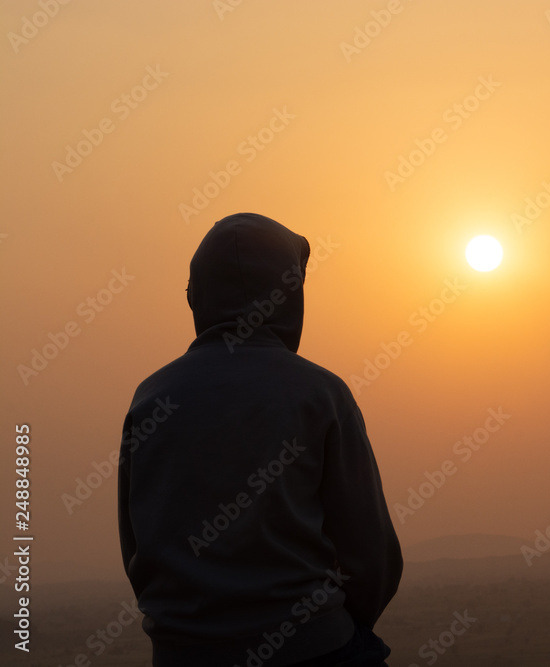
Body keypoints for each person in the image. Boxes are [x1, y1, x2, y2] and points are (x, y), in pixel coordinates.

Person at [117, 212, 403, 666]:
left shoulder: (151, 399)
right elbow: (372, 559)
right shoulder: (319, 393)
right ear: (291, 296)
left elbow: (139, 549)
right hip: (313, 649)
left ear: (198, 297)